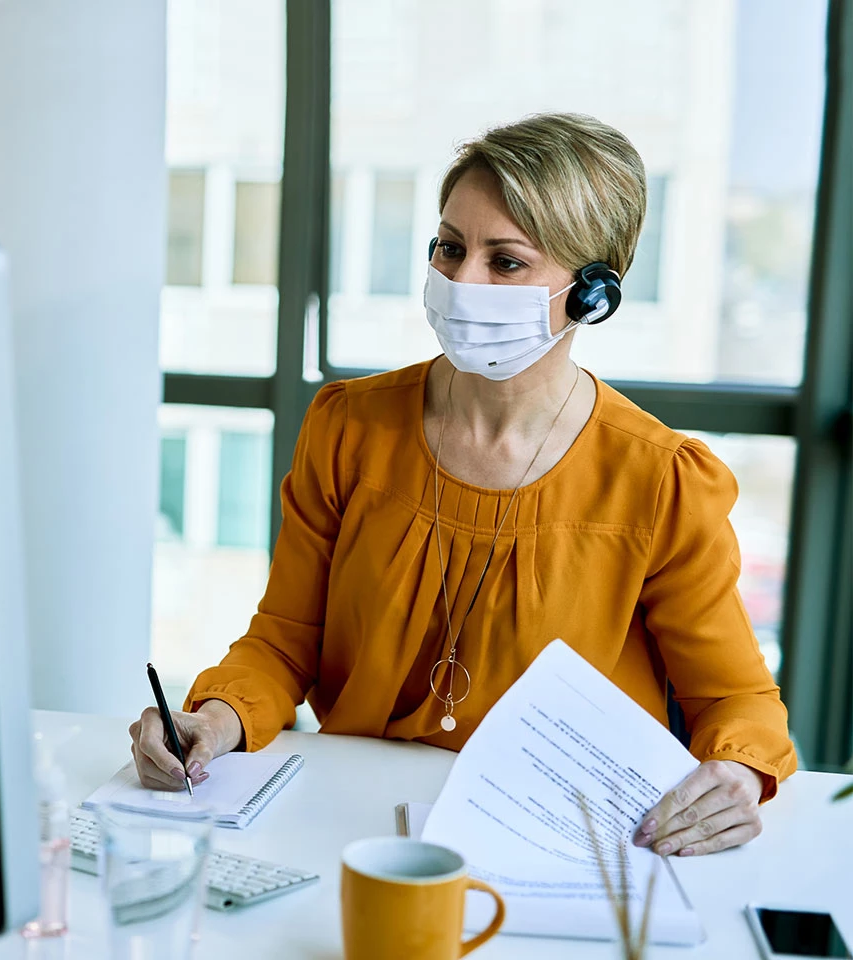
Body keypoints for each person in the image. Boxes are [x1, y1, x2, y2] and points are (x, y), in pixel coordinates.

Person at [130, 113, 796, 858]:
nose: (460, 280)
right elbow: (286, 642)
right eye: (449, 247)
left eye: (505, 262)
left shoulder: (660, 479)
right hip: (351, 820)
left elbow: (736, 698)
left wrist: (738, 774)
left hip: (557, 839)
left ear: (592, 295)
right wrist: (216, 718)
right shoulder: (349, 426)